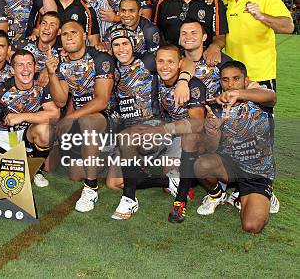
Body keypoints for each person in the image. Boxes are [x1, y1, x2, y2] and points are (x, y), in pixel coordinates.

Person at [195, 61, 276, 233]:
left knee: (251, 226)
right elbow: (211, 148)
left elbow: (272, 97)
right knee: (201, 164)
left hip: (258, 172)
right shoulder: (217, 107)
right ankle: (217, 195)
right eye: (225, 80)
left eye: (236, 79)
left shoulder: (257, 98)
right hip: (231, 166)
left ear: (246, 80)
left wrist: (239, 93)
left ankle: (267, 194)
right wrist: (212, 130)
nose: (230, 84)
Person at [106, 29, 179, 220]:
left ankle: (129, 200)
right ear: (111, 48)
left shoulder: (147, 60)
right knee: (114, 183)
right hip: (128, 128)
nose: (121, 49)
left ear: (133, 45)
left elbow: (183, 61)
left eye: (125, 44)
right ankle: (165, 182)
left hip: (153, 123)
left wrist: (185, 80)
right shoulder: (110, 68)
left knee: (127, 138)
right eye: (116, 45)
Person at [47, 19, 115, 211]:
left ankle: (91, 188)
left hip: (107, 117)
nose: (68, 37)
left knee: (87, 122)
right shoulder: (63, 65)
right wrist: (52, 73)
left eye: (74, 33)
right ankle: (107, 159)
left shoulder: (100, 59)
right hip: (80, 118)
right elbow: (60, 101)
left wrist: (70, 117)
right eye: (64, 34)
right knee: (75, 174)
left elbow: (102, 101)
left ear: (84, 36)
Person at [0, 49, 60, 187]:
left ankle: (35, 167)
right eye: (20, 65)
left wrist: (21, 116)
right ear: (12, 70)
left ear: (35, 66)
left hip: (30, 134)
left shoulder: (42, 85)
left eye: (29, 64)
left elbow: (54, 114)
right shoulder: (1, 89)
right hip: (8, 135)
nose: (26, 69)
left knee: (46, 131)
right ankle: (21, 162)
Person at [222, 0, 294, 89]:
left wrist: (262, 16)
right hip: (233, 75)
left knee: (261, 111)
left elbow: (288, 26)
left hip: (261, 75)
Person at [153, 44, 206, 223]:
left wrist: (165, 130)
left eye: (170, 61)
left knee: (190, 138)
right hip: (174, 133)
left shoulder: (193, 85)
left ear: (180, 64)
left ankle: (180, 201)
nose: (165, 66)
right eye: (161, 61)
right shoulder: (156, 79)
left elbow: (197, 124)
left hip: (200, 138)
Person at [13, 11, 61, 86]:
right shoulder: (23, 45)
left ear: (59, 32)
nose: (46, 28)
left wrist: (49, 71)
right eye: (44, 23)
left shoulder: (61, 53)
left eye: (52, 25)